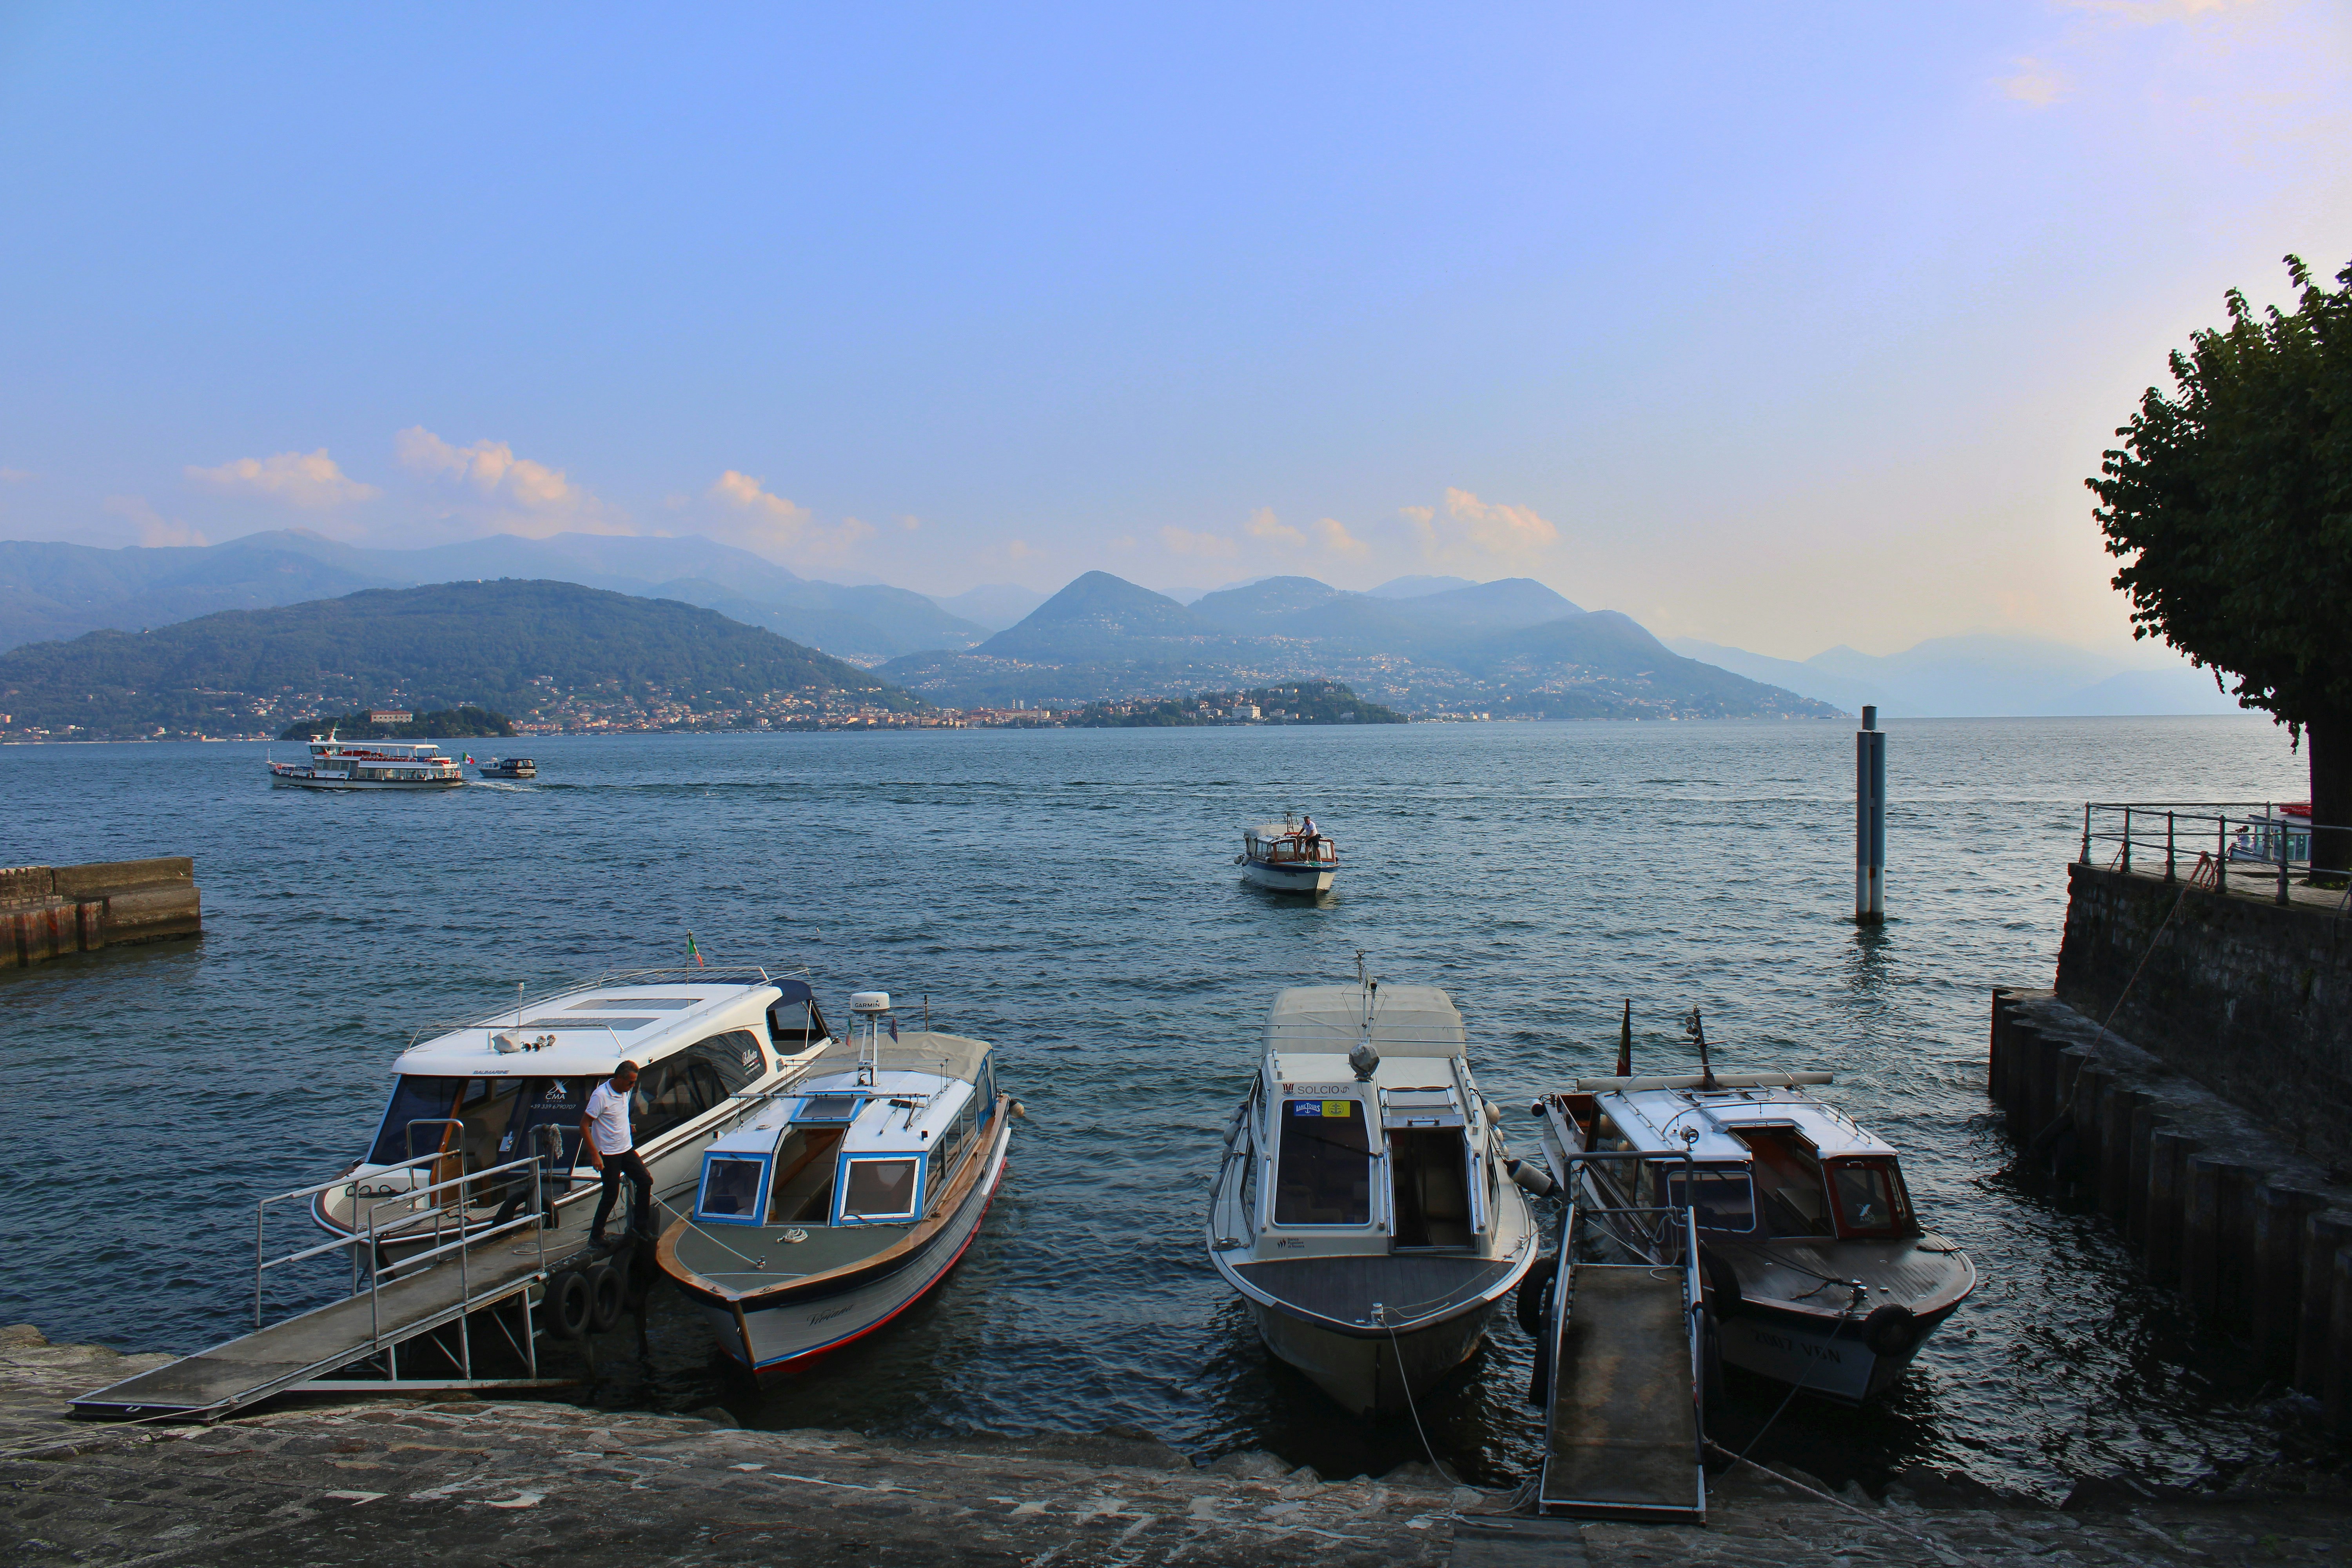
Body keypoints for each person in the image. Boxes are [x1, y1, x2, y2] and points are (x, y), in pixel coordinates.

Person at [581, 1060, 651, 1249]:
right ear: (619, 1078)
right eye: (630, 1082)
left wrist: (626, 1125)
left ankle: (640, 1227)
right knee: (611, 1194)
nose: (633, 1087)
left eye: (634, 1082)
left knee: (645, 1181)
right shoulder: (601, 1096)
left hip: (625, 1148)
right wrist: (595, 1154)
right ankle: (596, 1235)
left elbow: (616, 1114)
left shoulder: (624, 1091)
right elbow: (584, 1125)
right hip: (609, 1153)